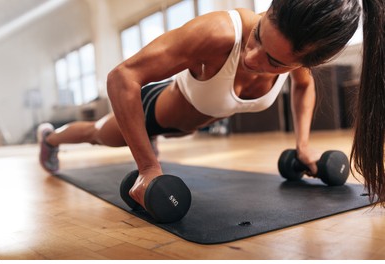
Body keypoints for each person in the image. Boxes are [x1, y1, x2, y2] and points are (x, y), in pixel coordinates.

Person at [37, 0, 385, 209]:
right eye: (259, 35)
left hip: (189, 124)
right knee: (100, 134)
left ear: (302, 63)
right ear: (267, 12)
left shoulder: (299, 63)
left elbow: (303, 88)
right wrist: (146, 167)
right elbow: (121, 77)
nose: (252, 57)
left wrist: (303, 148)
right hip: (156, 110)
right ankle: (50, 139)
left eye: (275, 62)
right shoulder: (218, 32)